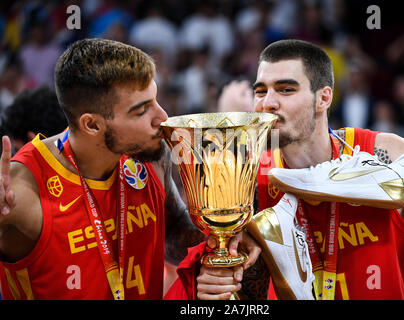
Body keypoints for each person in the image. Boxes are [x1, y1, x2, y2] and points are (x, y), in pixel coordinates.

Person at [175, 39, 404, 300]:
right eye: (260, 91)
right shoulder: (247, 184)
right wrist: (216, 282)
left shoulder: (389, 156)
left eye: (285, 89)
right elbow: (237, 285)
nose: (267, 103)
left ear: (324, 98)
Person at [0, 38, 259, 300]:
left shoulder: (149, 155)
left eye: (155, 99)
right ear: (92, 125)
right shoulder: (20, 191)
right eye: (141, 110)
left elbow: (173, 232)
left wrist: (224, 239)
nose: (163, 117)